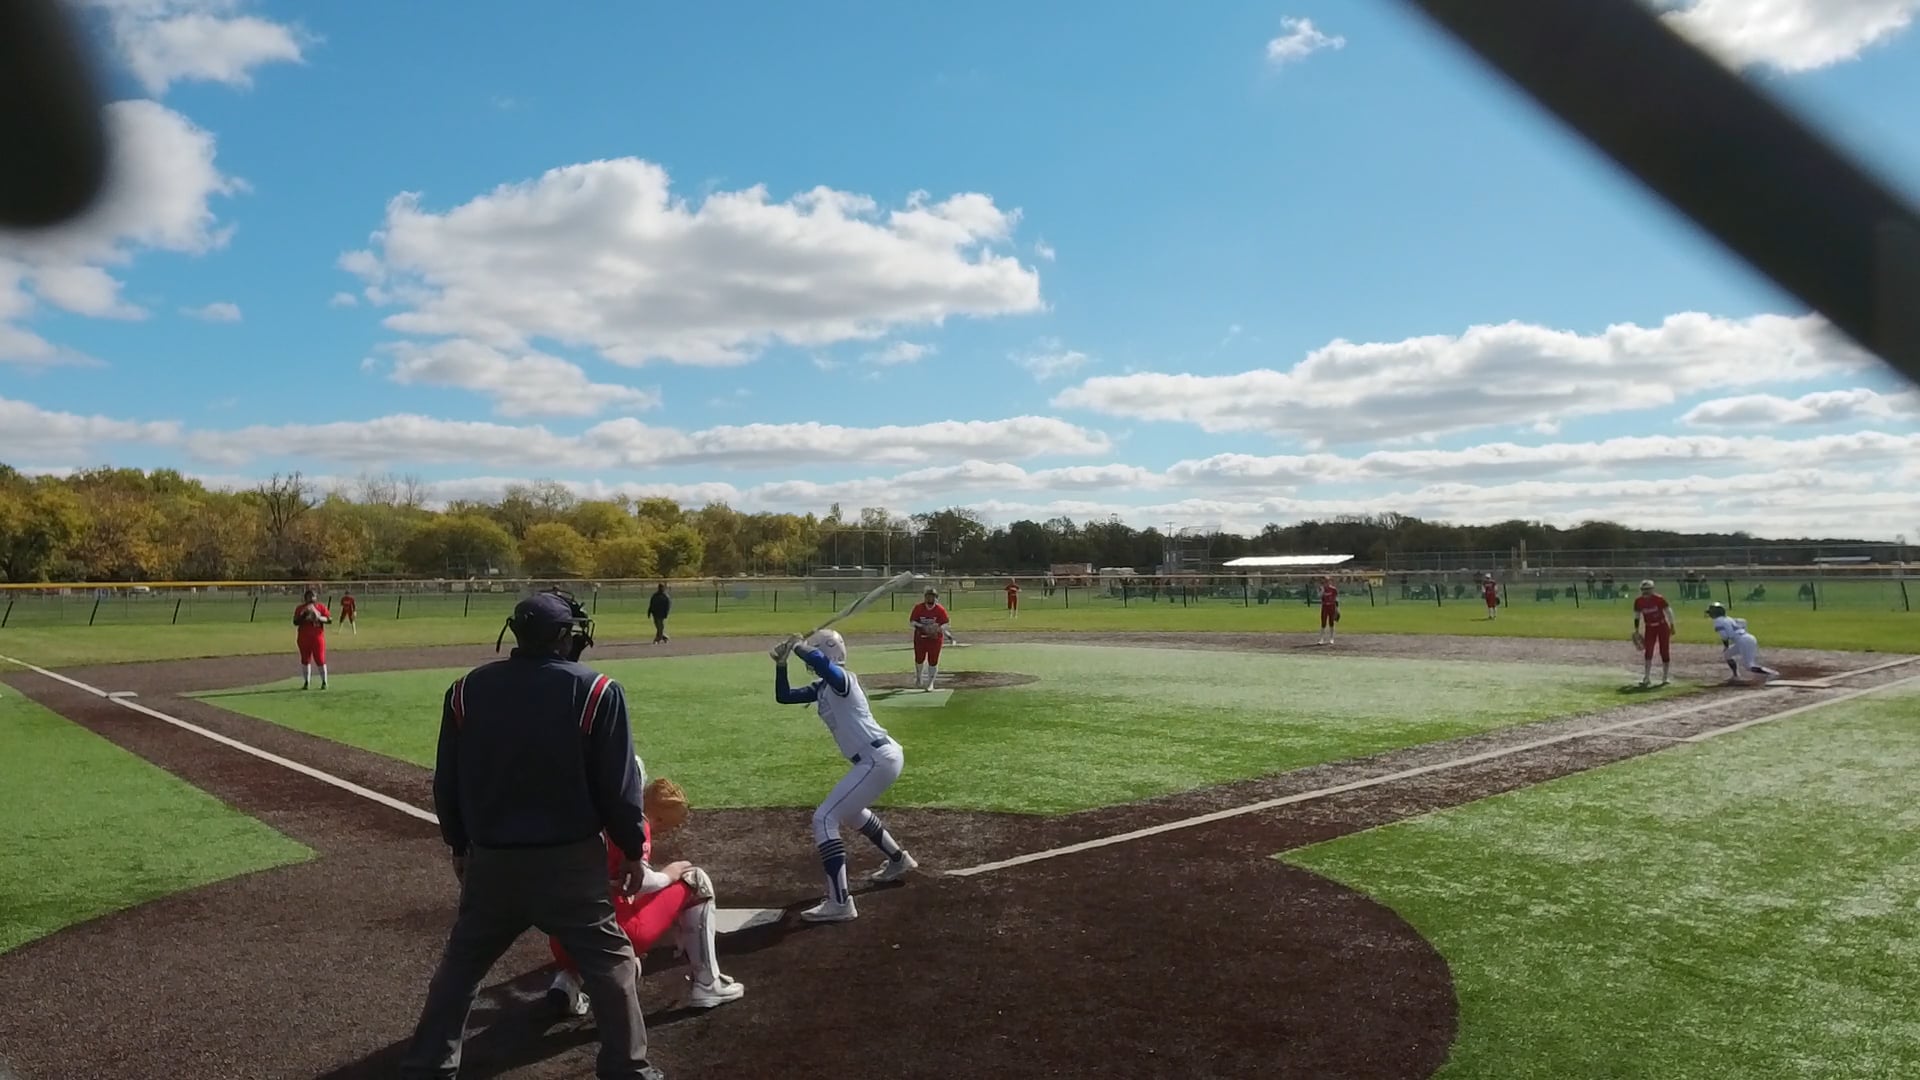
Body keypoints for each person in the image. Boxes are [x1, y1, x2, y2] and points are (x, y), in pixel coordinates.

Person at [400, 590, 665, 1080]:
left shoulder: (465, 691)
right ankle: (628, 1070)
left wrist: (458, 844)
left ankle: (429, 1067)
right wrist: (632, 849)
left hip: (493, 862)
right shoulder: (597, 689)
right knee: (611, 966)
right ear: (563, 636)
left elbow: (447, 781)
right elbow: (618, 787)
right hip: (571, 864)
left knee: (461, 969)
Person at [546, 776, 744, 1016]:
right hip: (614, 933)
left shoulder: (577, 815)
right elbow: (640, 882)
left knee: (590, 923)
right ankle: (707, 984)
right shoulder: (634, 822)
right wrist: (669, 874)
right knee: (696, 880)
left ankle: (566, 984)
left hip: (561, 936)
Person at [770, 629, 916, 922]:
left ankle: (840, 902)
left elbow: (822, 664)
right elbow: (784, 696)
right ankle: (898, 859)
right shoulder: (823, 687)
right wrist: (782, 664)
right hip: (877, 759)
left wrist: (798, 645)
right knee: (851, 812)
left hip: (877, 758)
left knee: (824, 818)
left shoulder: (843, 680)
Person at [1705, 602, 1780, 684]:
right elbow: (1743, 621)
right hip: (1744, 639)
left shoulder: (1718, 621)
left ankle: (1772, 674)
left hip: (1744, 641)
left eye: (1711, 612)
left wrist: (1726, 646)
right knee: (1727, 655)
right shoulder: (1728, 618)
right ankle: (1736, 676)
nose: (1710, 614)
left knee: (1749, 666)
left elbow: (1724, 636)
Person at [1631, 580, 1674, 687]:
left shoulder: (1659, 599)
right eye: (1643, 590)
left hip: (1662, 626)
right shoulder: (1638, 601)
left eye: (1647, 589)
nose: (1645, 592)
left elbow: (1668, 612)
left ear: (1652, 589)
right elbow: (1637, 616)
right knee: (1648, 651)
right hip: (1649, 627)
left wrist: (1672, 625)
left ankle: (1665, 677)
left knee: (1664, 650)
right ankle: (1646, 677)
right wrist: (1636, 629)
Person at [908, 587, 950, 691]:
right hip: (921, 638)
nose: (930, 599)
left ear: (936, 598)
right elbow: (912, 622)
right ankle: (919, 677)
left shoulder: (940, 609)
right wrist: (923, 627)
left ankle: (931, 683)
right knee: (919, 659)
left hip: (935, 639)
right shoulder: (919, 608)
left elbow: (946, 623)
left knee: (933, 660)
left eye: (933, 597)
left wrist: (937, 629)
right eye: (928, 596)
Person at [293, 588, 331, 690]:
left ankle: (324, 682)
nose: (311, 598)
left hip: (317, 637)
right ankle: (307, 682)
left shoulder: (321, 607)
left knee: (320, 659)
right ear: (305, 598)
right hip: (304, 637)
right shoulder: (300, 608)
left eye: (313, 596)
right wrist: (304, 615)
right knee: (305, 659)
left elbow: (329, 619)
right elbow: (295, 622)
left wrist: (319, 618)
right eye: (309, 596)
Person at [1317, 575, 1339, 646]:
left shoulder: (1333, 589)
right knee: (1323, 622)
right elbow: (1319, 596)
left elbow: (1336, 599)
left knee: (1331, 622)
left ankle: (1331, 638)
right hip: (1325, 606)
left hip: (1331, 606)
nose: (1327, 583)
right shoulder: (1321, 589)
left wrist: (1337, 609)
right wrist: (1322, 591)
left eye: (1328, 581)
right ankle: (1321, 639)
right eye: (1325, 581)